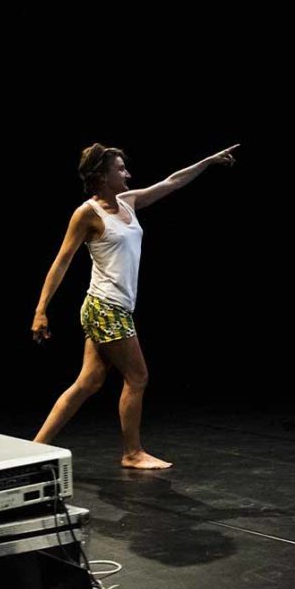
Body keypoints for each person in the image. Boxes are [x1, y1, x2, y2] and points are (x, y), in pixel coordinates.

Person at [30, 142, 236, 468]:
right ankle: (132, 453)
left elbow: (171, 182)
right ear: (101, 176)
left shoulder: (128, 202)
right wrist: (41, 309)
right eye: (120, 169)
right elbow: (61, 262)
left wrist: (207, 162)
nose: (127, 173)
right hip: (104, 307)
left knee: (88, 383)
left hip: (116, 307)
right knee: (138, 377)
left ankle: (35, 448)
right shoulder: (87, 213)